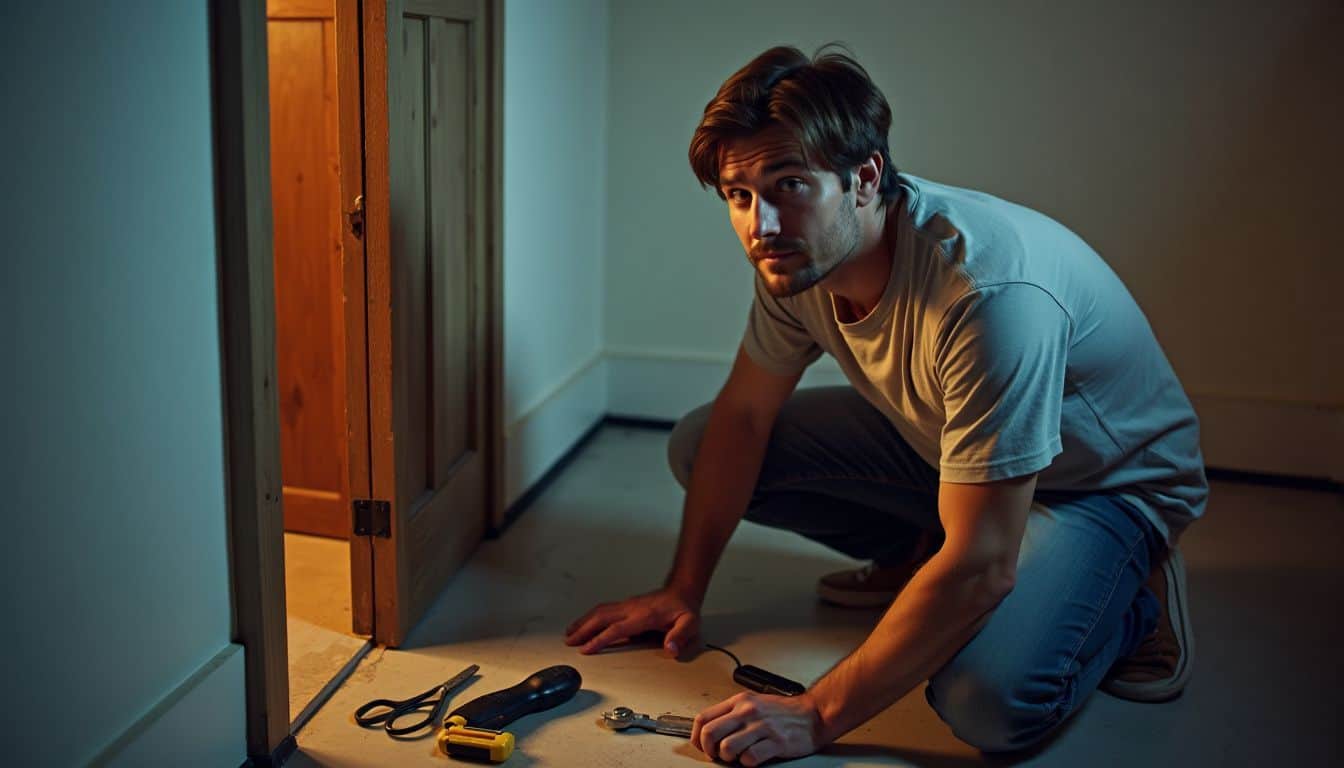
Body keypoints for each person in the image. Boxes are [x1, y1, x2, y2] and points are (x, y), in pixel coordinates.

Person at [565, 44, 1206, 764]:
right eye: (738, 196)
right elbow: (745, 418)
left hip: (1101, 485)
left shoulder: (988, 295)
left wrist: (814, 716)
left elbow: (985, 563)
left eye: (788, 184)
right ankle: (917, 558)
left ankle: (1132, 601)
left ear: (864, 177)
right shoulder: (798, 256)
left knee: (987, 703)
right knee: (704, 439)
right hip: (949, 450)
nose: (760, 225)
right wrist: (682, 588)